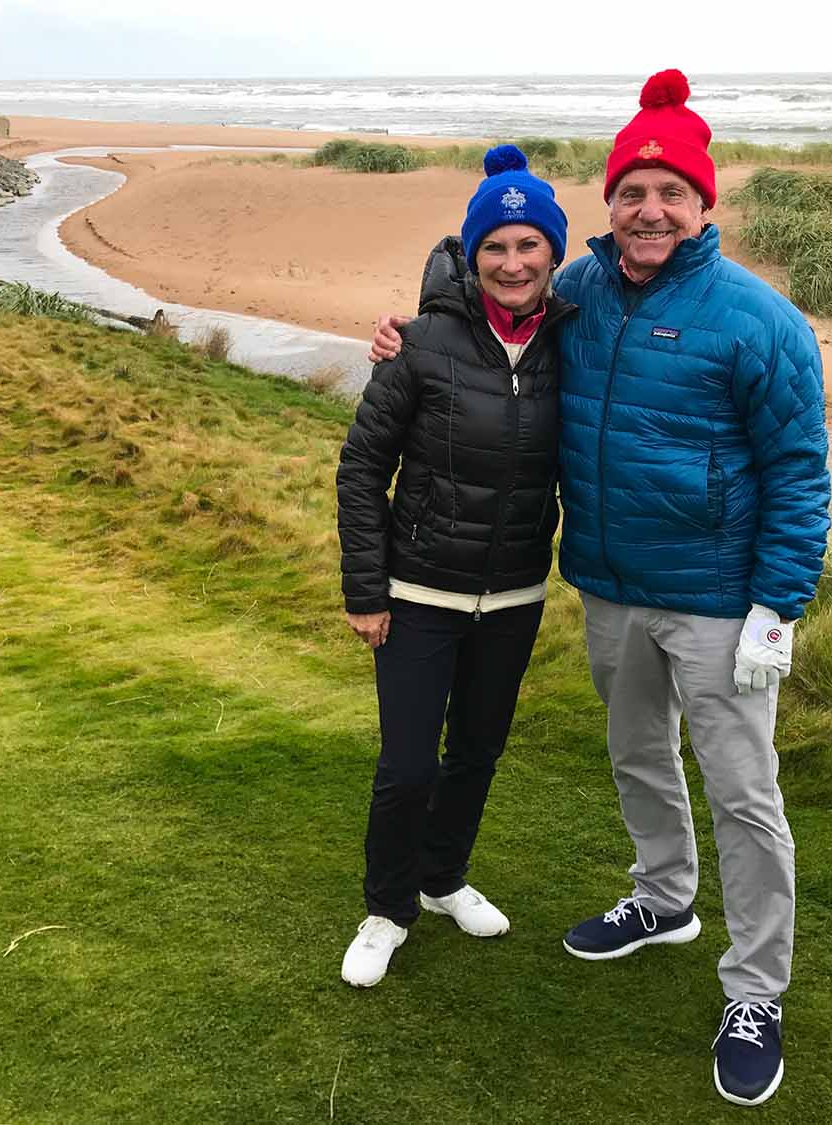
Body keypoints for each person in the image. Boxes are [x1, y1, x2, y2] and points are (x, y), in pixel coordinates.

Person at [369, 70, 830, 1106]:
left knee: (744, 797)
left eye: (672, 192)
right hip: (610, 589)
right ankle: (663, 898)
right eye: (633, 191)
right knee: (636, 758)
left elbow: (800, 471)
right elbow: (488, 296)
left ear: (705, 204)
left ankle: (755, 988)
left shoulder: (758, 319)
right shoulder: (579, 293)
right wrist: (409, 330)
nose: (651, 209)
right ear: (611, 202)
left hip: (719, 601)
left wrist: (778, 604)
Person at [335, 145, 574, 989]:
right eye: (495, 247)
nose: (513, 263)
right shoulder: (419, 343)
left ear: (554, 252)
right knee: (408, 764)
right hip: (416, 592)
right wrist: (365, 589)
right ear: (472, 257)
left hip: (513, 595)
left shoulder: (573, 343)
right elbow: (362, 469)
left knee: (476, 751)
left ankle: (442, 879)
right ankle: (387, 906)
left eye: (529, 245)